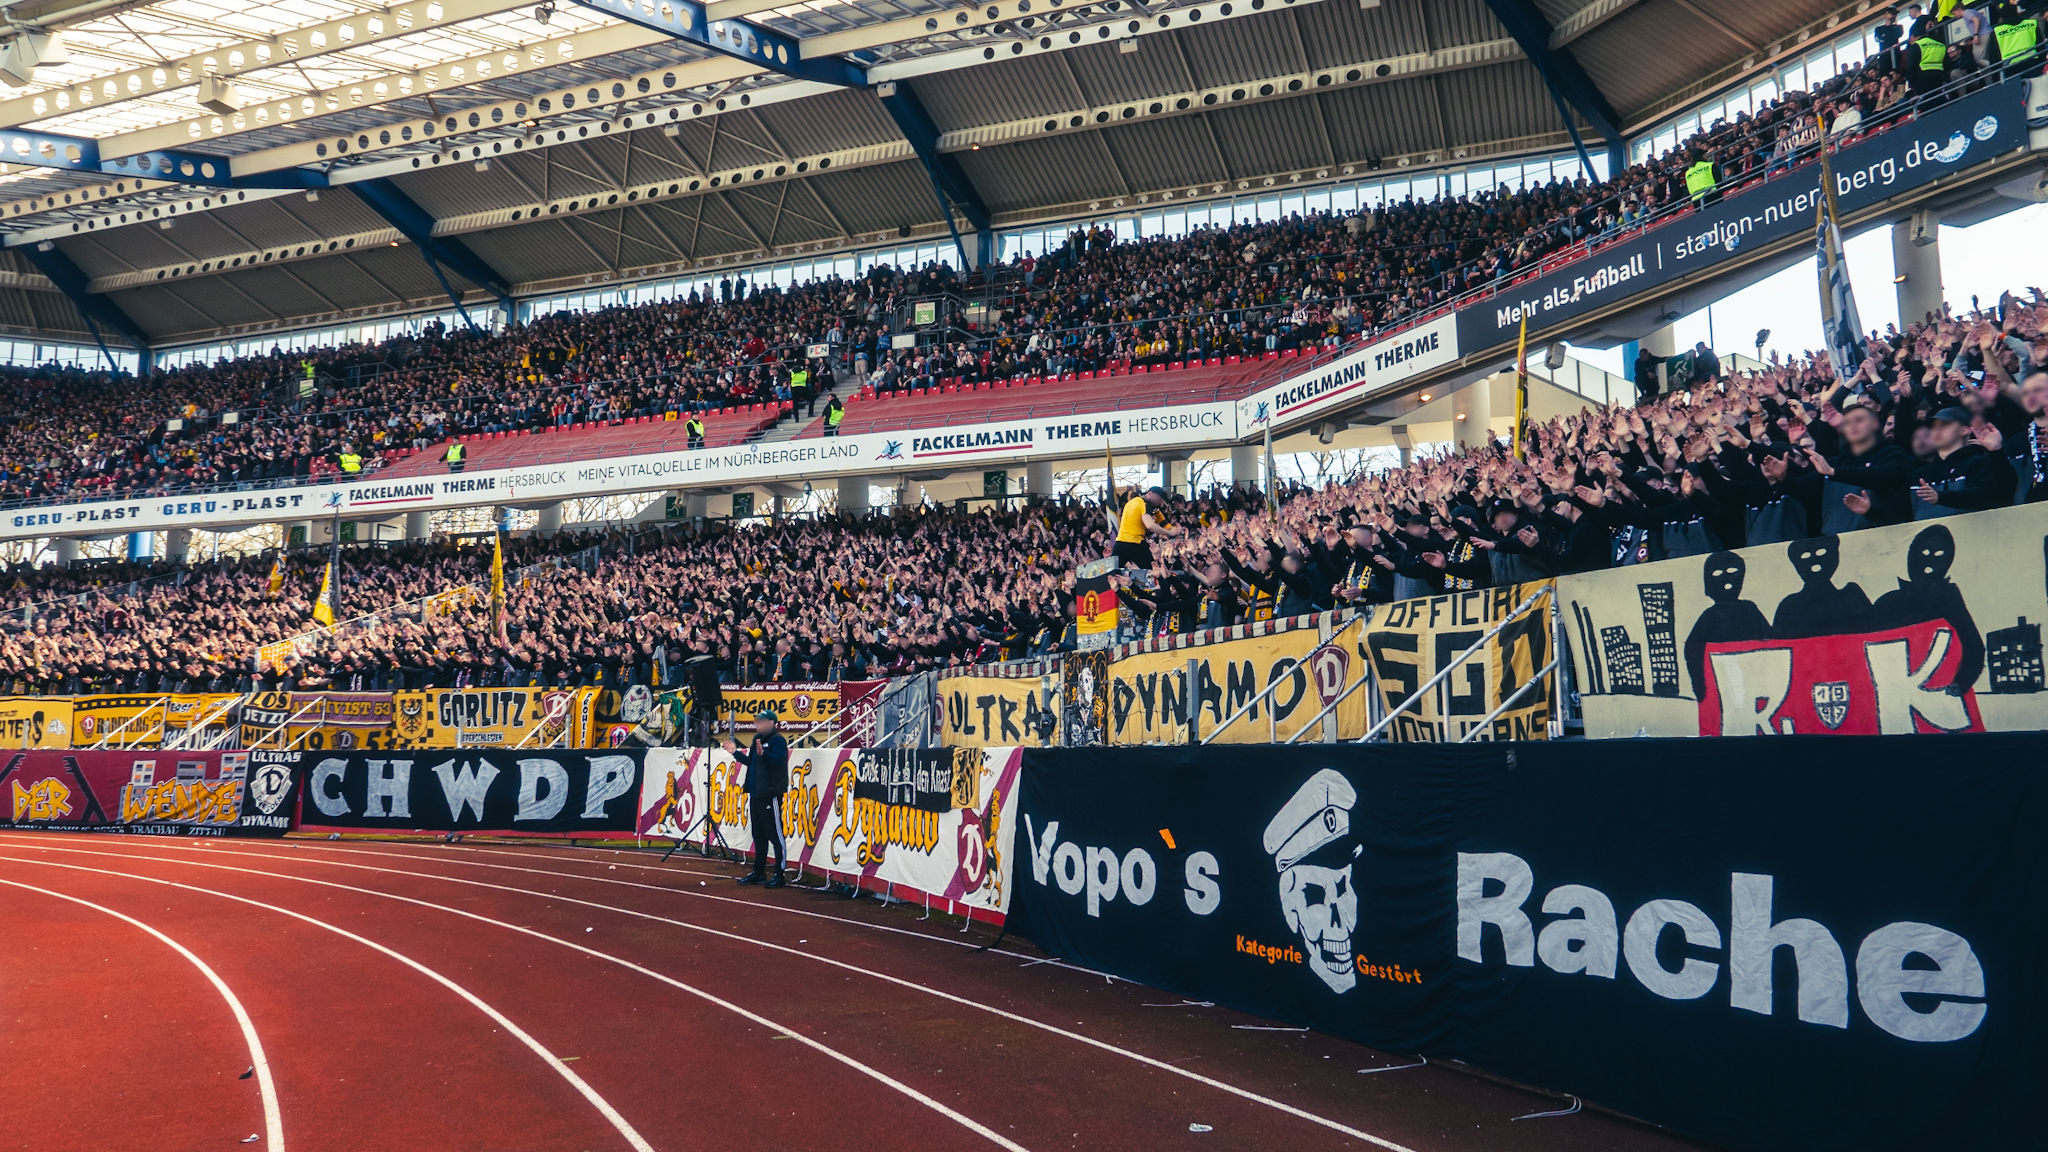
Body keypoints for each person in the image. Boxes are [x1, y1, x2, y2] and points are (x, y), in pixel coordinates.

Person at [721, 709, 789, 888]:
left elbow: (779, 763)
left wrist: (763, 755)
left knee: (775, 835)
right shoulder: (756, 740)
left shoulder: (778, 740)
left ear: (773, 723)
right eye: (757, 721)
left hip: (770, 794)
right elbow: (751, 762)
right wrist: (735, 753)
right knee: (758, 836)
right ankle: (759, 872)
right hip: (756, 793)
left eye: (762, 721)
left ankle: (780, 874)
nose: (758, 724)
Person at [1113, 485, 1183, 571]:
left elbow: (1161, 519)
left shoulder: (1133, 502)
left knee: (1114, 573)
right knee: (1154, 572)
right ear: (1150, 494)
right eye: (1158, 499)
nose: (1159, 503)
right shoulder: (1144, 505)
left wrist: (1172, 528)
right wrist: (1170, 533)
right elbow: (1149, 525)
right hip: (1135, 543)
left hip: (1120, 543)